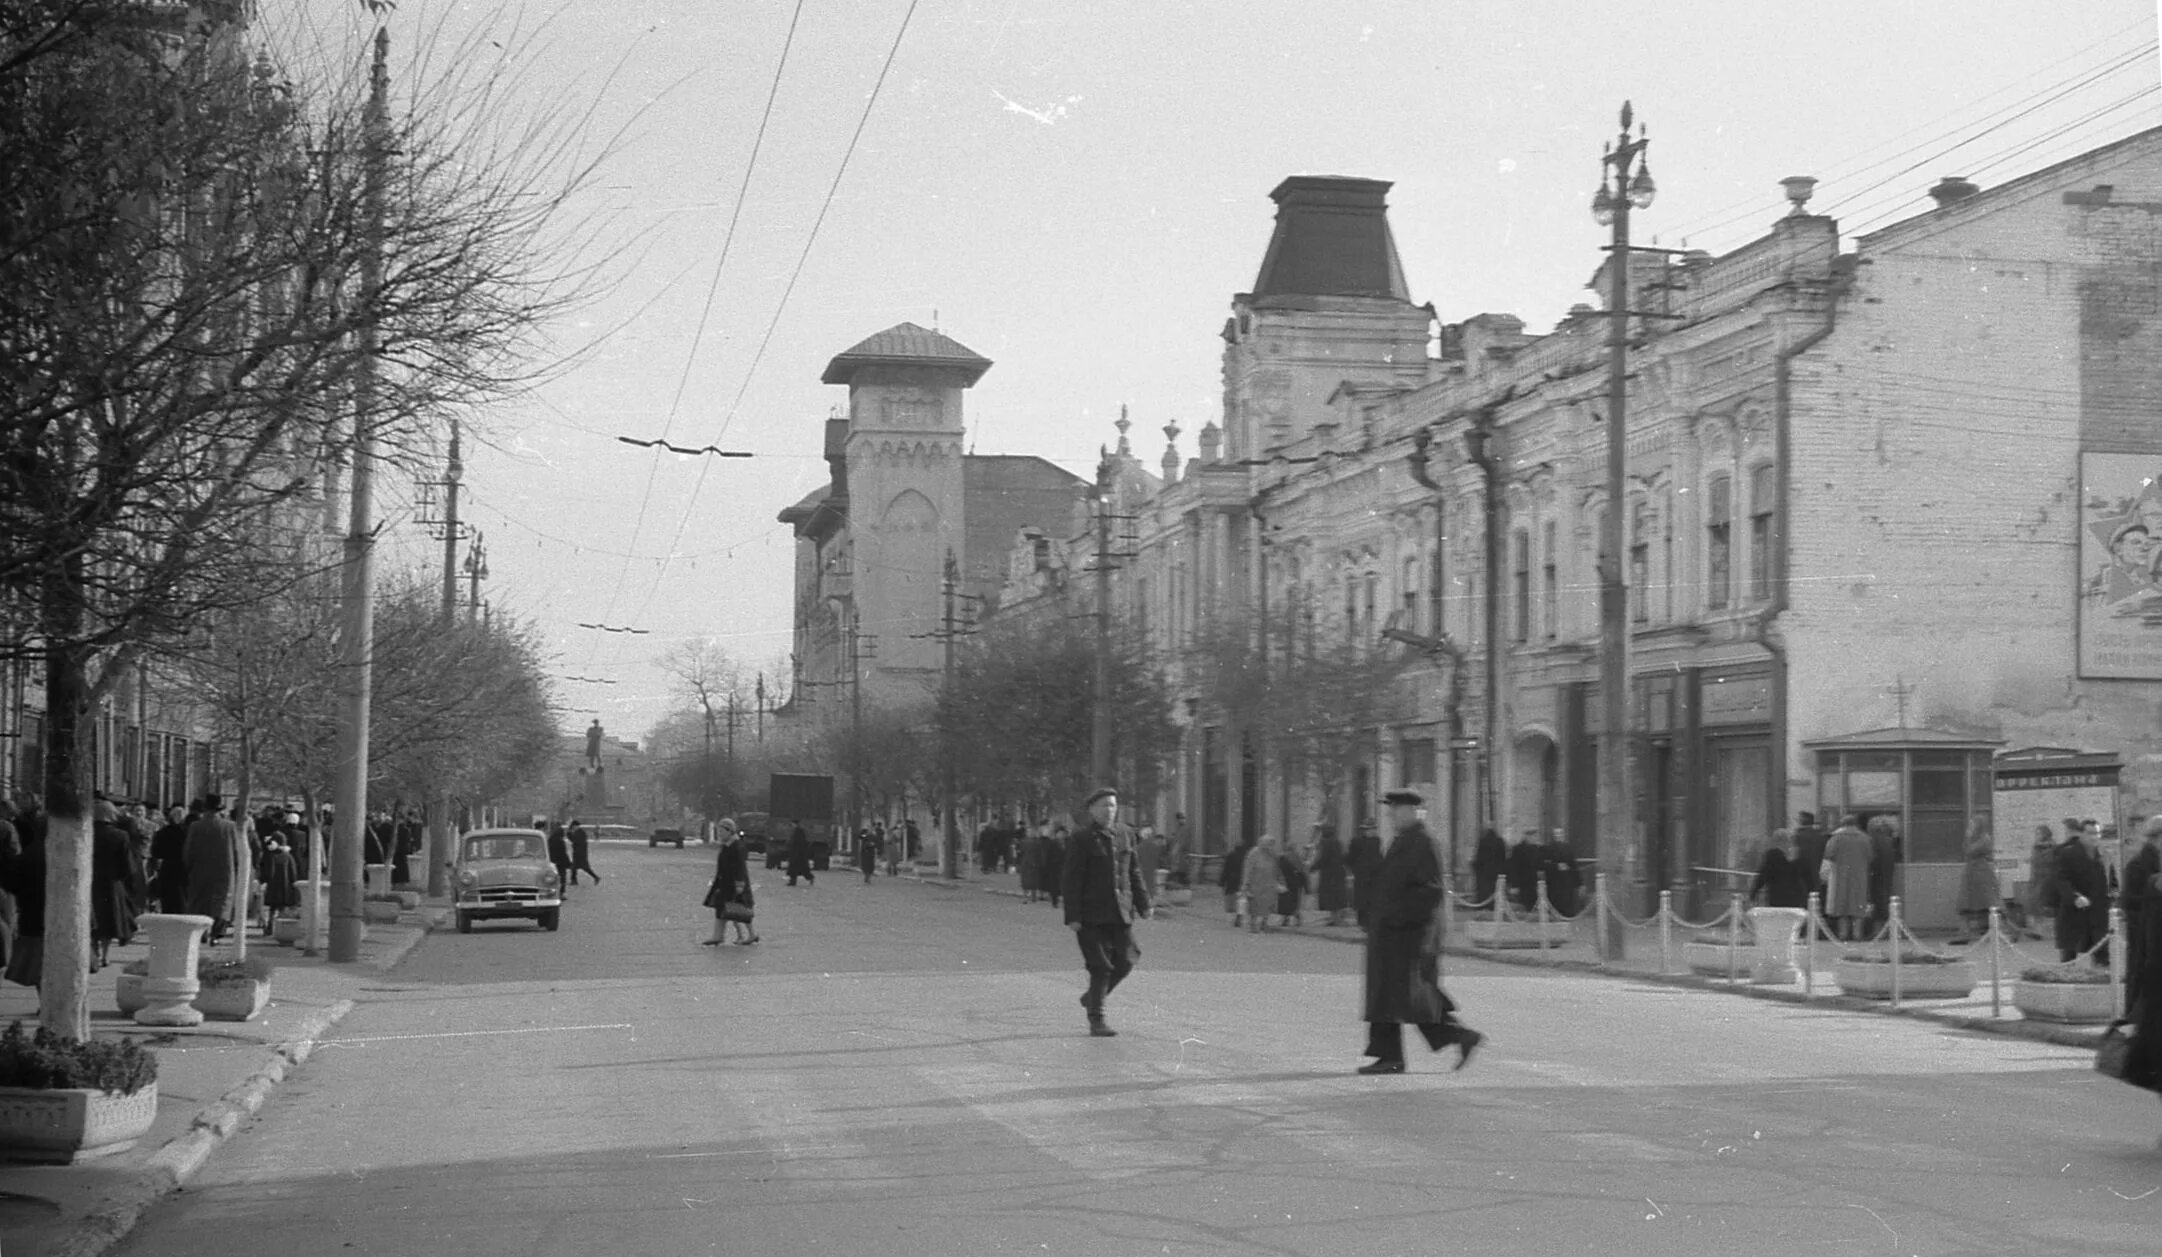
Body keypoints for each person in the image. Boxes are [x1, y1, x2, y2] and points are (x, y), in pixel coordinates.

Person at [1359, 790, 1481, 1075]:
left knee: (1408, 997)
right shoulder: (1404, 841)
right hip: (1393, 936)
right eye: (1391, 811)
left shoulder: (1422, 843)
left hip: (1409, 938)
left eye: (1396, 811)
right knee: (1398, 997)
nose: (1391, 817)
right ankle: (1392, 1054)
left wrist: (1397, 918)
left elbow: (1430, 892)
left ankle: (1399, 1054)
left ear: (1414, 812)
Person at [1062, 787, 1152, 1037]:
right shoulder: (1081, 839)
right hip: (1090, 915)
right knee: (1100, 966)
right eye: (1103, 806)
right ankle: (1096, 1019)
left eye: (1112, 805)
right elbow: (1071, 878)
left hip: (1119, 911)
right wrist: (1073, 916)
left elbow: (1133, 871)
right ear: (1092, 810)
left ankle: (1093, 996)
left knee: (1128, 958)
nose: (1109, 810)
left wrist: (1144, 903)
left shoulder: (1125, 834)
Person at [184, 794, 240, 943]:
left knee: (200, 900)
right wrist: (236, 867)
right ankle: (216, 933)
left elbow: (189, 850)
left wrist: (188, 866)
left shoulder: (196, 826)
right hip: (225, 869)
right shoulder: (230, 826)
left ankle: (201, 932)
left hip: (200, 868)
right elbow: (236, 850)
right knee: (222, 901)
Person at [2055, 819, 2111, 963]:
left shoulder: (2104, 855)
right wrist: (2074, 897)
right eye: (2090, 833)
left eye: (2097, 833)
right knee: (2069, 958)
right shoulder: (2068, 854)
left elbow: (2112, 880)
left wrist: (2114, 895)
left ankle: (2102, 983)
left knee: (2102, 957)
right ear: (2080, 834)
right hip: (2075, 913)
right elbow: (2061, 880)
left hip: (2099, 916)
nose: (2094, 837)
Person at [90, 801, 138, 971]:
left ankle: (93, 951)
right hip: (111, 883)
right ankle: (105, 956)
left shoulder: (87, 832)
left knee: (93, 918)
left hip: (90, 882)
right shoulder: (120, 835)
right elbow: (128, 865)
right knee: (109, 921)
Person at [2122, 818, 2162, 1013]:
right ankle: (2132, 1014)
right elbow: (2128, 900)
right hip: (2143, 930)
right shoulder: (2137, 865)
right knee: (2139, 973)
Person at [704, 824, 758, 945]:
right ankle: (719, 936)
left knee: (737, 910)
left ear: (730, 831)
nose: (720, 834)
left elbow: (740, 868)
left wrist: (739, 885)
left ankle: (747, 934)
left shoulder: (735, 846)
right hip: (725, 882)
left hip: (733, 883)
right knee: (725, 909)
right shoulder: (727, 845)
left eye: (722, 832)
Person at [1822, 815, 1873, 942]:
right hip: (1860, 877)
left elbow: (1828, 856)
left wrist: (1823, 875)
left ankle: (1843, 934)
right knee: (1858, 906)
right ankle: (1857, 934)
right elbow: (1870, 856)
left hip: (1840, 876)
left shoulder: (1836, 838)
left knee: (1842, 907)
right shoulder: (1865, 839)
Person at [1953, 819, 1999, 941]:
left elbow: (1970, 851)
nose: (1970, 827)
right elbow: (1966, 850)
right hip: (1972, 875)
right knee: (1965, 905)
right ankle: (1964, 933)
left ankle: (2005, 931)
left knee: (1989, 904)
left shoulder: (1984, 839)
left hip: (1982, 874)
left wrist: (1968, 838)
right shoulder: (1975, 838)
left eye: (1973, 825)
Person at [1749, 829, 1810, 909]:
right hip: (1796, 898)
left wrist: (1753, 893)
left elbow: (1763, 876)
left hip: (1778, 897)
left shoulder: (1772, 857)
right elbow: (1805, 877)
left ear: (1776, 841)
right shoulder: (1796, 857)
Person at [1865, 816, 1902, 935]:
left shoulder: (1872, 840)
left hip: (1876, 876)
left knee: (1878, 903)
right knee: (1886, 901)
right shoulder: (1889, 840)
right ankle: (1888, 931)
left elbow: (1870, 859)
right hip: (1887, 875)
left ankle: (1878, 932)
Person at [1348, 818, 1385, 930]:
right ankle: (1363, 922)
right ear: (1365, 830)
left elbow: (1378, 857)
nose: (1372, 832)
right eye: (1369, 829)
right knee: (1362, 899)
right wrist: (1354, 868)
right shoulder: (1357, 842)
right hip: (1362, 874)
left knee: (1371, 899)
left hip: (1374, 874)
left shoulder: (1377, 841)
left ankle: (1369, 922)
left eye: (1373, 829)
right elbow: (1351, 857)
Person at [1311, 823, 1350, 927]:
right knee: (1336, 896)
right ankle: (1334, 918)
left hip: (1329, 873)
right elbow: (1343, 856)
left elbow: (1323, 858)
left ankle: (1336, 919)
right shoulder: (1337, 842)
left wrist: (1313, 867)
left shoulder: (1325, 843)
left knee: (1331, 896)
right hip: (1338, 872)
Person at [260, 837, 300, 933]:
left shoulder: (271, 856)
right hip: (285, 887)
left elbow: (268, 872)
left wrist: (263, 881)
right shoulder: (289, 857)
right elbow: (293, 873)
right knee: (283, 909)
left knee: (272, 909)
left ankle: (269, 927)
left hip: (273, 887)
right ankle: (281, 929)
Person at [1792, 811, 1829, 908]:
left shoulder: (1798, 836)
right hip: (1817, 873)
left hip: (1801, 875)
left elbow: (1794, 855)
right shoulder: (1820, 837)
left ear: (1802, 821)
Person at [1544, 829, 1584, 917]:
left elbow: (1574, 865)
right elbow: (1544, 864)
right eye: (1556, 833)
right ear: (1553, 836)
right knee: (1555, 907)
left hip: (1567, 882)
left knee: (1568, 907)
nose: (1559, 835)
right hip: (1554, 883)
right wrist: (1556, 866)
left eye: (1560, 833)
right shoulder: (1548, 848)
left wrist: (1580, 883)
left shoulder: (1568, 848)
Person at [1221, 836, 1253, 927]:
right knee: (1242, 900)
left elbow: (1226, 869)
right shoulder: (1247, 856)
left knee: (1232, 899)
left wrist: (1222, 881)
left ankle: (1234, 916)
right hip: (1242, 880)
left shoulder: (1231, 855)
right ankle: (1239, 916)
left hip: (1231, 880)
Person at [1277, 840, 1309, 926]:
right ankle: (1297, 918)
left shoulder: (1282, 857)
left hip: (1285, 883)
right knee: (1294, 902)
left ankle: (1285, 920)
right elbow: (1302, 872)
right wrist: (1306, 886)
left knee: (1285, 902)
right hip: (1296, 884)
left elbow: (1278, 870)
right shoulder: (1297, 857)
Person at [567, 817, 601, 886]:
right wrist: (569, 834)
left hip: (580, 854)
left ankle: (596, 877)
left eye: (573, 827)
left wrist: (569, 834)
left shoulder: (580, 833)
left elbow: (574, 841)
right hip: (578, 853)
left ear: (575, 826)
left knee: (583, 867)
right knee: (574, 867)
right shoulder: (579, 832)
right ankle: (574, 881)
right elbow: (574, 840)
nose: (573, 828)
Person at [1017, 825, 1045, 902]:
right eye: (1029, 832)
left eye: (1032, 832)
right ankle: (1025, 897)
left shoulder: (1038, 842)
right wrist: (1018, 863)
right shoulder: (1023, 841)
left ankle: (1033, 896)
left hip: (1035, 863)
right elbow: (1020, 853)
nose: (1031, 833)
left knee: (1034, 881)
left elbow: (1041, 853)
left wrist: (1041, 862)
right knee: (1025, 881)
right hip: (1025, 863)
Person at [1042, 825, 1067, 909]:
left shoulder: (1068, 843)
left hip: (1064, 866)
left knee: (1065, 885)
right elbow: (1048, 855)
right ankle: (1055, 901)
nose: (1062, 835)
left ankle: (1065, 901)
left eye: (1063, 833)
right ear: (1057, 834)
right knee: (1055, 885)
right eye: (1060, 833)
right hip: (1054, 867)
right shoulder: (1052, 843)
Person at [785, 821, 815, 887]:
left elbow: (797, 843)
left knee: (797, 868)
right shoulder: (798, 831)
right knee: (799, 869)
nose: (792, 825)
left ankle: (808, 878)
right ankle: (793, 881)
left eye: (792, 824)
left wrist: (794, 851)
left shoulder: (798, 832)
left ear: (795, 824)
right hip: (799, 854)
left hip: (798, 854)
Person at [546, 822, 574, 891]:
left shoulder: (550, 839)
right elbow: (563, 854)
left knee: (552, 877)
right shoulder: (560, 841)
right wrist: (568, 863)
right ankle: (561, 892)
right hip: (560, 862)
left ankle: (552, 890)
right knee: (562, 877)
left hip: (552, 861)